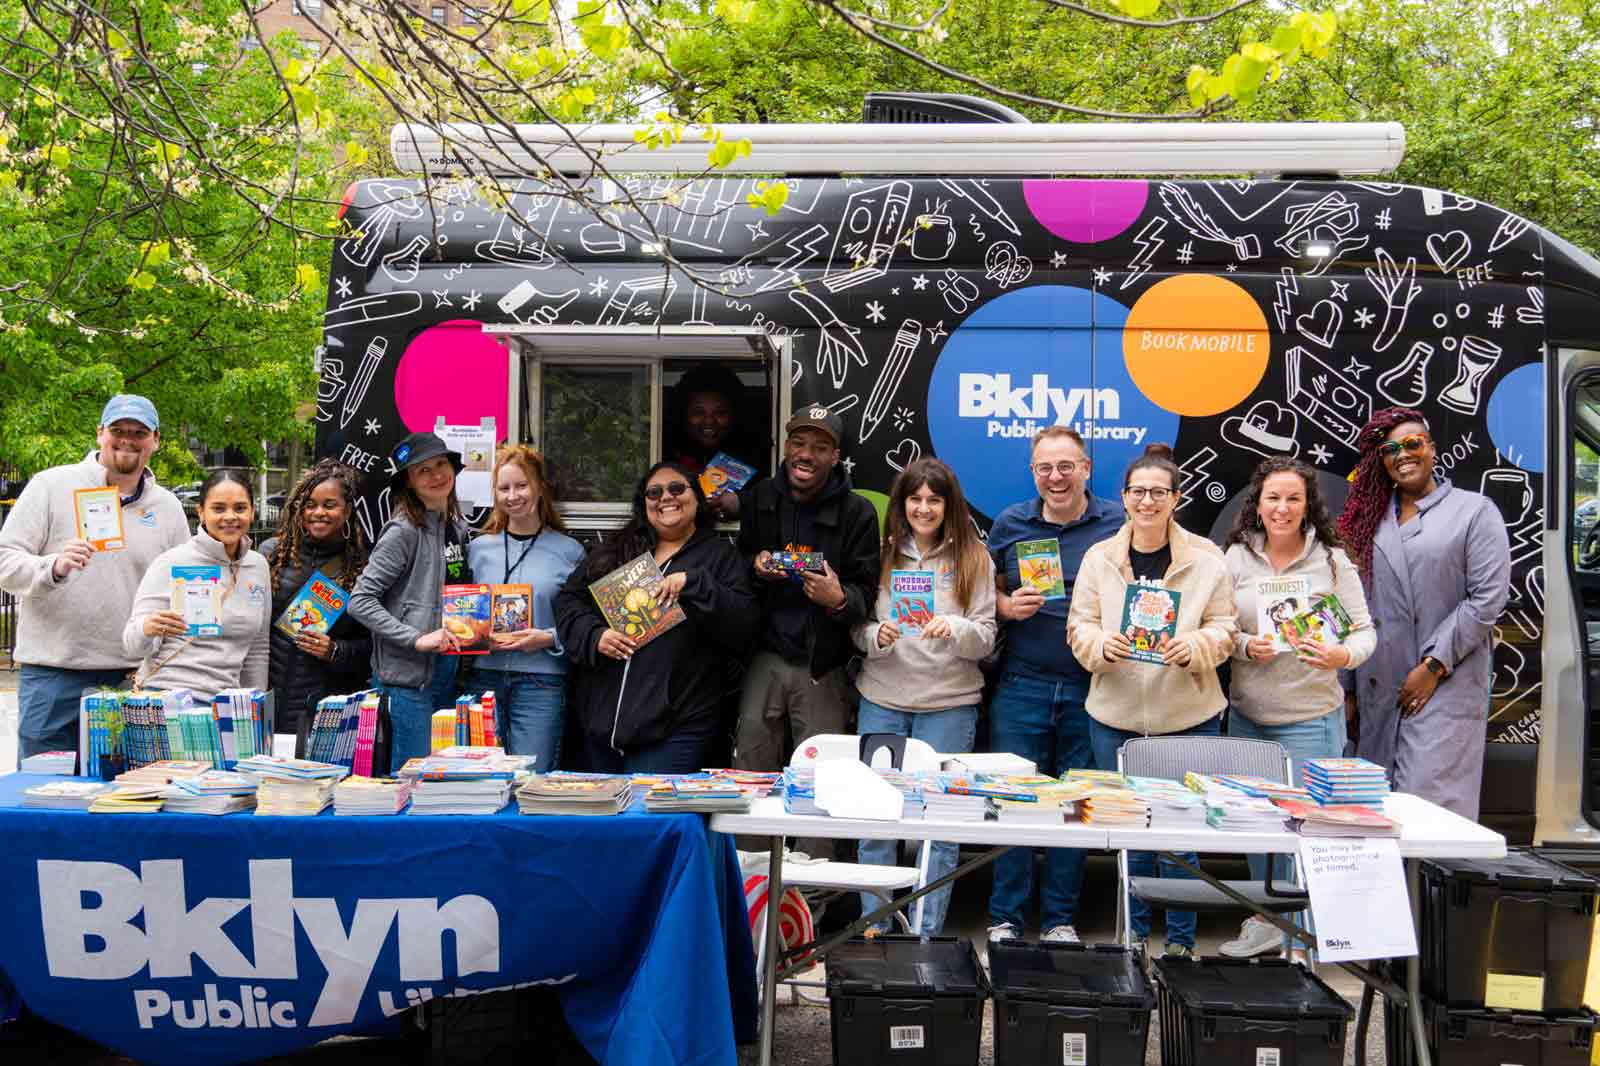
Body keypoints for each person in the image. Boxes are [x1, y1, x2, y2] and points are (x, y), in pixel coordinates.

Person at [1067, 443, 1237, 958]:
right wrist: (1100, 646)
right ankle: (1135, 938)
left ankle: (1181, 945)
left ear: (1176, 498)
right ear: (1123, 498)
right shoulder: (1100, 558)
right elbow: (1080, 626)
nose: (1147, 501)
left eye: (1158, 492)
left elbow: (1226, 628)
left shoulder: (1207, 559)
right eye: (1138, 492)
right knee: (1130, 833)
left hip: (1187, 716)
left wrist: (1198, 646)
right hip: (1114, 717)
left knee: (1182, 837)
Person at [1217, 457, 1377, 959]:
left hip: (1310, 719)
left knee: (1308, 831)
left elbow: (1364, 629)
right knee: (1253, 830)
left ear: (1308, 506)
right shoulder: (1235, 558)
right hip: (1247, 717)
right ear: (1257, 505)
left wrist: (1341, 654)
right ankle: (1268, 922)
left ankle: (1304, 939)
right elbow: (1218, 625)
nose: (1282, 508)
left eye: (1292, 498)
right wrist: (1244, 645)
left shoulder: (1331, 561)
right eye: (1273, 498)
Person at [983, 426, 1123, 945]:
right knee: (1016, 799)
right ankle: (1006, 918)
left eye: (1066, 466)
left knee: (1074, 804)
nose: (1055, 477)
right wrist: (1003, 606)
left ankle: (1061, 919)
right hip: (1023, 683)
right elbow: (985, 589)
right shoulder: (1011, 523)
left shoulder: (1118, 522)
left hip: (1093, 685)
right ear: (1033, 472)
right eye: (1044, 467)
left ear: (1087, 468)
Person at [1336, 407, 1511, 819]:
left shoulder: (1474, 511)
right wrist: (1346, 687)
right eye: (1391, 449)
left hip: (1442, 684)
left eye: (1413, 444)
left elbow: (1487, 599)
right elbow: (1348, 605)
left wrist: (1433, 665)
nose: (1403, 454)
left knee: (1427, 809)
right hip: (1377, 684)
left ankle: (1429, 887)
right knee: (1375, 812)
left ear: (1432, 449)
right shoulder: (1368, 520)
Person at [0, 395, 189, 758]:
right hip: (54, 674)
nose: (128, 440)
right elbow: (5, 562)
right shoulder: (51, 486)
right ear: (100, 433)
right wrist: (52, 567)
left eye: (140, 432)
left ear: (156, 441)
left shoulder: (168, 508)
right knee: (46, 797)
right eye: (118, 430)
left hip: (133, 677)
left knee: (127, 800)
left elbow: (181, 587)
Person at [853, 458, 995, 935]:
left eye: (934, 499)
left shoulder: (975, 557)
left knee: (939, 826)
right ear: (902, 504)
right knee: (874, 818)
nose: (924, 508)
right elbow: (854, 627)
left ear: (948, 504)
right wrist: (876, 635)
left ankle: (925, 932)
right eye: (915, 498)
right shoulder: (880, 554)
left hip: (949, 704)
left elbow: (987, 638)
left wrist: (954, 628)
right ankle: (875, 927)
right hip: (883, 697)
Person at [555, 462, 760, 773]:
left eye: (677, 488)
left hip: (677, 728)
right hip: (600, 726)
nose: (666, 497)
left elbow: (746, 624)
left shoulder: (720, 557)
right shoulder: (618, 550)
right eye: (654, 492)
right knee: (600, 819)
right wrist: (595, 636)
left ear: (697, 497)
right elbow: (570, 600)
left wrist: (696, 584)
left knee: (655, 819)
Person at [734, 407, 879, 763]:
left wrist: (839, 598)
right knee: (751, 764)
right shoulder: (759, 499)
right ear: (786, 447)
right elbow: (733, 570)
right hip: (763, 656)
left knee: (821, 773)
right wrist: (754, 566)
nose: (806, 454)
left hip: (823, 663)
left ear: (835, 457)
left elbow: (867, 589)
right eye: (799, 443)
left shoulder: (858, 512)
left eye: (819, 447)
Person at [349, 432, 472, 773]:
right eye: (423, 471)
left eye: (441, 464)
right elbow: (360, 601)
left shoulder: (457, 529)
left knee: (440, 782)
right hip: (405, 683)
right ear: (409, 483)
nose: (436, 475)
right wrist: (415, 638)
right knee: (411, 782)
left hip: (446, 675)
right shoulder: (402, 531)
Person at [469, 445, 585, 770]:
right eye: (504, 488)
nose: (512, 495)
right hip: (483, 680)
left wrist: (548, 637)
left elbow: (584, 622)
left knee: (531, 779)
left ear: (538, 488)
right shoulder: (476, 549)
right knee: (481, 779)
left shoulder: (570, 551)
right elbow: (460, 611)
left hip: (541, 683)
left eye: (521, 485)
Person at [123, 470, 272, 699]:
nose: (230, 516)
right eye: (219, 508)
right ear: (201, 512)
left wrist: (255, 704)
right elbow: (132, 644)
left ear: (252, 512)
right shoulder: (172, 562)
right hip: (167, 699)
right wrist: (147, 628)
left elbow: (258, 649)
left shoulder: (258, 566)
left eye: (240, 508)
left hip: (227, 707)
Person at [260, 460, 373, 737]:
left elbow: (375, 644)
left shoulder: (362, 568)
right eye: (310, 504)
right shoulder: (271, 554)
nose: (318, 512)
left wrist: (335, 650)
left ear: (346, 511)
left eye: (329, 505)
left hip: (321, 709)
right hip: (265, 701)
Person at [667, 363, 760, 519]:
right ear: (683, 414)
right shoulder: (666, 453)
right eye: (698, 412)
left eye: (720, 412)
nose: (709, 421)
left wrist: (740, 503)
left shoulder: (754, 458)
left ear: (734, 415)